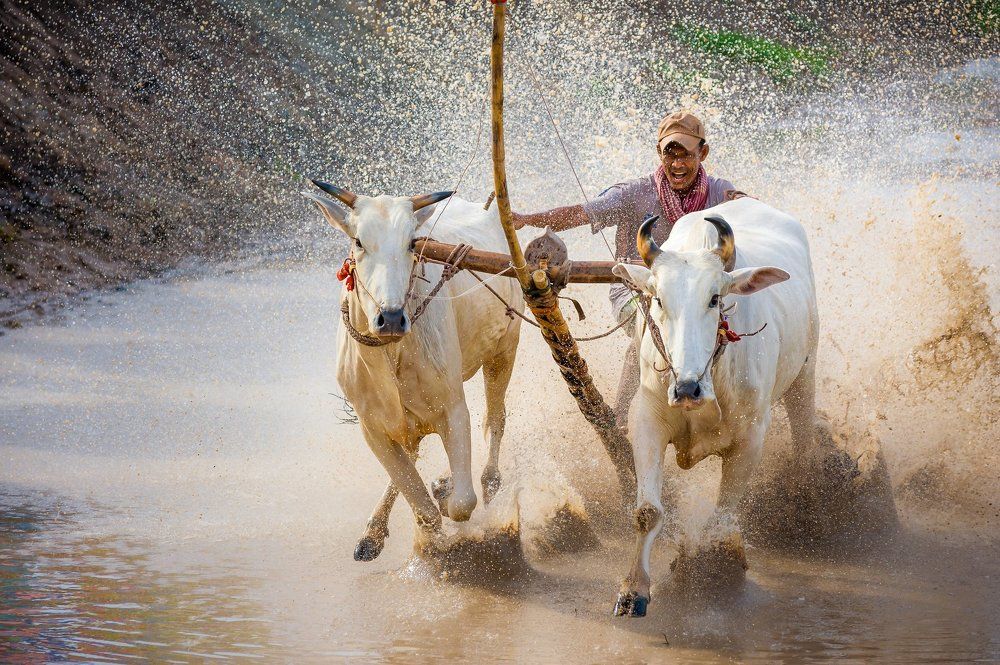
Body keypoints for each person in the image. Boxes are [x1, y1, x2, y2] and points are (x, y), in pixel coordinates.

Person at [512, 111, 746, 429]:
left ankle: (738, 410)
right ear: (659, 153)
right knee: (650, 328)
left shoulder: (721, 194)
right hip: (637, 287)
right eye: (670, 154)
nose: (677, 164)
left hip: (699, 294)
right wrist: (527, 219)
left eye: (686, 156)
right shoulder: (633, 194)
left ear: (702, 153)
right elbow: (582, 213)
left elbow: (752, 213)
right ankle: (622, 420)